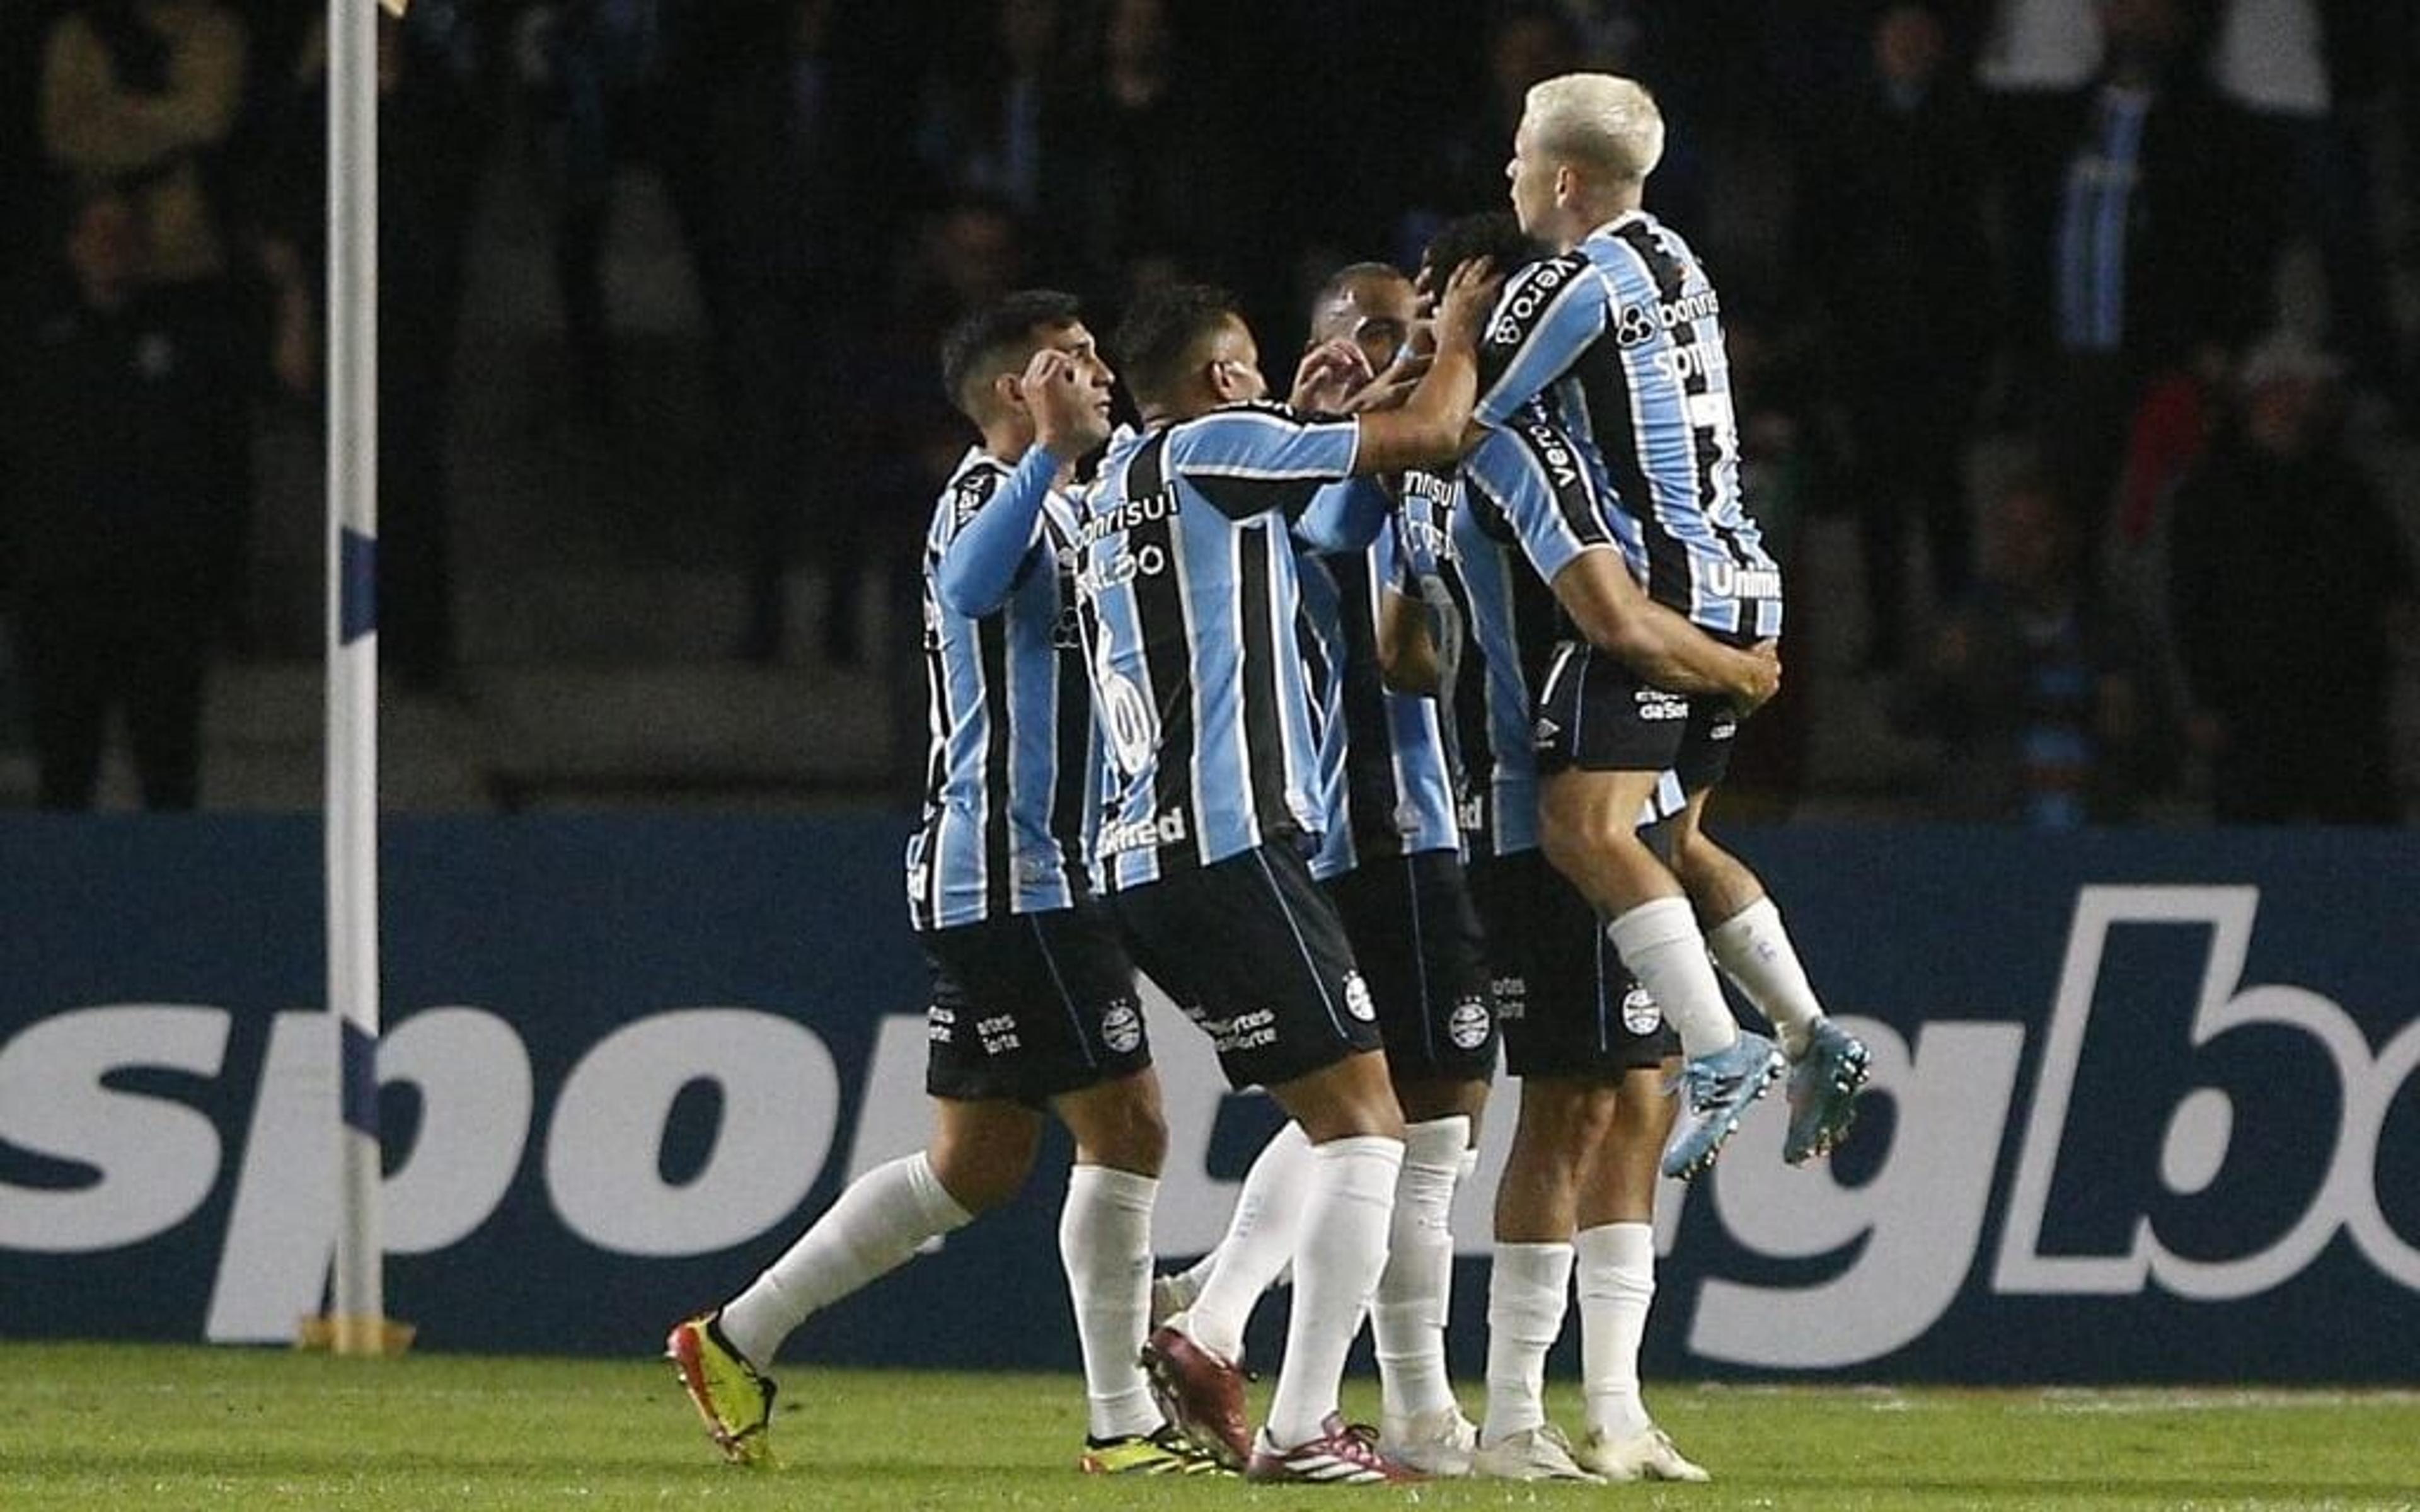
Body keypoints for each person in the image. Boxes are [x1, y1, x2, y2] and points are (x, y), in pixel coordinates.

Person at [665, 291, 1223, 1478]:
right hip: (1014, 875)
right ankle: (1121, 1418)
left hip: (1033, 874)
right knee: (1129, 1125)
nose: (1098, 374)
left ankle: (735, 1338)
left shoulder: (1080, 502)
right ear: (1019, 391)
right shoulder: (984, 497)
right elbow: (971, 587)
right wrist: (1042, 465)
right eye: (1070, 361)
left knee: (976, 1167)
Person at [1074, 262, 1495, 1484]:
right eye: (1252, 369)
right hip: (1228, 836)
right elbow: (1424, 439)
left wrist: (1318, 424)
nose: (1269, 384)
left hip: (1147, 855)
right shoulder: (1214, 446)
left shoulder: (1116, 483)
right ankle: (1299, 1417)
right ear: (1217, 380)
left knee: (1341, 1119)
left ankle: (1219, 1329)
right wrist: (1453, 337)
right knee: (1375, 1127)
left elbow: (1325, 520)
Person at [1403, 212, 1773, 1485]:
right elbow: (1617, 621)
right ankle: (1515, 1414)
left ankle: (1612, 1411)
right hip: (1524, 817)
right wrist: (1743, 670)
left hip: (1512, 808)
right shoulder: (1508, 450)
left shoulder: (1437, 450)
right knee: (1570, 1108)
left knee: (1624, 1097)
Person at [1480, 72, 1868, 1183]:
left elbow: (1459, 410)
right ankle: (1807, 1030)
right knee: (1675, 842)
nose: (1508, 174)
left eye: (1517, 156)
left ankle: (1716, 1047)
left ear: (1562, 178)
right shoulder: (1678, 261)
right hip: (1745, 572)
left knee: (1584, 830)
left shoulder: (1576, 280)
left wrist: (1452, 331)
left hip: (1671, 589)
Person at [0, 184, 305, 810]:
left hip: (162, 598)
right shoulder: (33, 341)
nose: (110, 249)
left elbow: (285, 380)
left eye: (124, 236)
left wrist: (295, 289)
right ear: (73, 247)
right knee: (64, 776)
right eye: (97, 234)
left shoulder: (187, 334)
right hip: (63, 596)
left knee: (168, 773)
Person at [2167, 337, 2413, 823]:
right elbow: (2191, 602)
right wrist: (2205, 697)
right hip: (2251, 706)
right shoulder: (2212, 491)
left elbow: (2392, 570)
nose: (2314, 401)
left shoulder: (2345, 483)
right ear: (2271, 394)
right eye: (2303, 389)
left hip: (2344, 704)